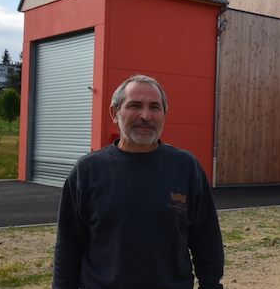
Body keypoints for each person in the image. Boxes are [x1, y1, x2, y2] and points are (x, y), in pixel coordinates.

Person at [52, 74, 224, 289]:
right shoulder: (87, 171)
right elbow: (69, 244)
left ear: (164, 114)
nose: (145, 115)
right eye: (135, 105)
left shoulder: (186, 167)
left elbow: (206, 238)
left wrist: (211, 284)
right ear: (114, 113)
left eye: (154, 107)